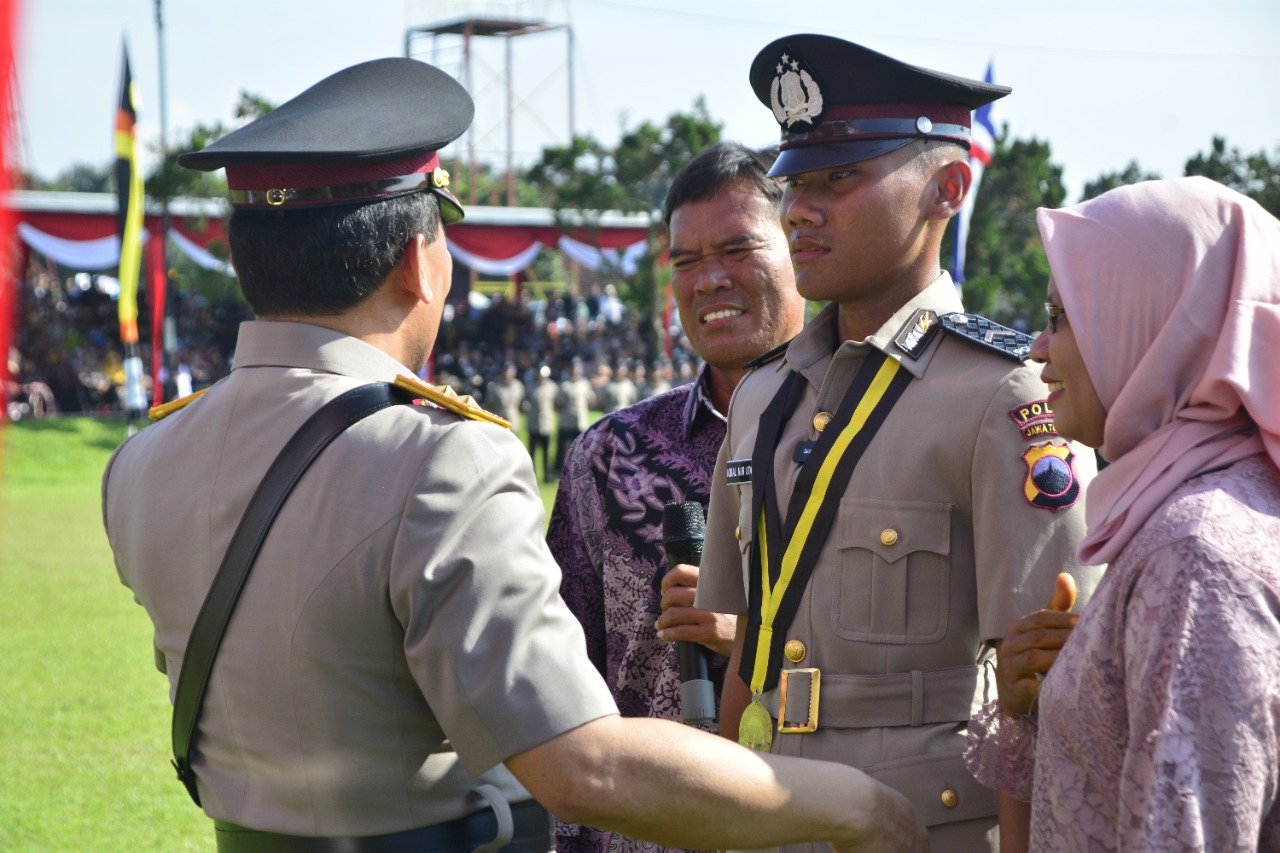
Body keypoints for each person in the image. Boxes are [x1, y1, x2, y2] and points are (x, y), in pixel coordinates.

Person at [100, 57, 929, 853]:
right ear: (418, 263)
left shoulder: (142, 461)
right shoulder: (441, 461)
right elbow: (579, 764)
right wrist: (857, 806)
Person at [693, 34, 1102, 853]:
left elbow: (1041, 687)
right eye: (795, 182)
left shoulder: (1003, 393)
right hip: (770, 811)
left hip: (922, 824)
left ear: (947, 188)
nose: (801, 208)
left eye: (840, 177)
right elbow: (753, 645)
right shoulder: (768, 392)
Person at [965, 177, 1280, 851]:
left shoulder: (1194, 554)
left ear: (1150, 320)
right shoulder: (1195, 511)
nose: (1037, 350)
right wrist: (1032, 705)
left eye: (1062, 317)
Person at [549, 142, 808, 853]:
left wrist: (747, 635)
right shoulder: (609, 455)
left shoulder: (865, 441)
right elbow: (566, 681)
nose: (708, 280)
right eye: (685, 261)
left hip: (809, 823)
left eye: (737, 249)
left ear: (801, 248)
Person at [555, 359, 595, 475]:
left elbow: (591, 400)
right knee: (564, 448)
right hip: (567, 421)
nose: (574, 371)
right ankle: (561, 471)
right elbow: (558, 403)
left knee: (582, 448)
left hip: (580, 421)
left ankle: (581, 470)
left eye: (576, 369)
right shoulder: (564, 385)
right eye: (572, 369)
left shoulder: (585, 384)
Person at [527, 363, 558, 482]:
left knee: (546, 452)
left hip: (546, 423)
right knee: (532, 453)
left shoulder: (552, 387)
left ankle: (547, 476)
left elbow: (556, 403)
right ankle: (531, 476)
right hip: (533, 423)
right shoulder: (530, 387)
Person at [489, 361, 526, 431]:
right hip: (500, 419)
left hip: (513, 420)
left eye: (510, 372)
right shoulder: (495, 386)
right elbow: (490, 404)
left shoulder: (518, 386)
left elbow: (522, 403)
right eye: (505, 372)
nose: (507, 375)